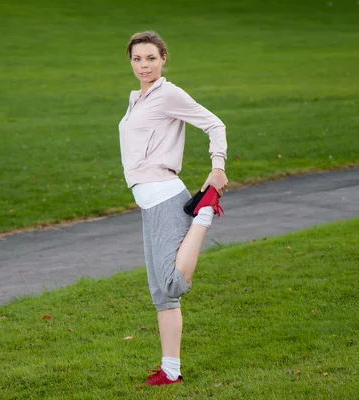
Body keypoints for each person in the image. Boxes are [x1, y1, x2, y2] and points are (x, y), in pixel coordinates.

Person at [118, 31, 228, 386]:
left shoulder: (168, 94)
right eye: (137, 59)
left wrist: (218, 165)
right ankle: (170, 371)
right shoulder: (137, 97)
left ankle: (206, 211)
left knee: (173, 284)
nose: (144, 65)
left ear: (163, 58)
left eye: (151, 58)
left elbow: (214, 123)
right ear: (130, 62)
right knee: (160, 295)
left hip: (165, 196)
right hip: (150, 204)